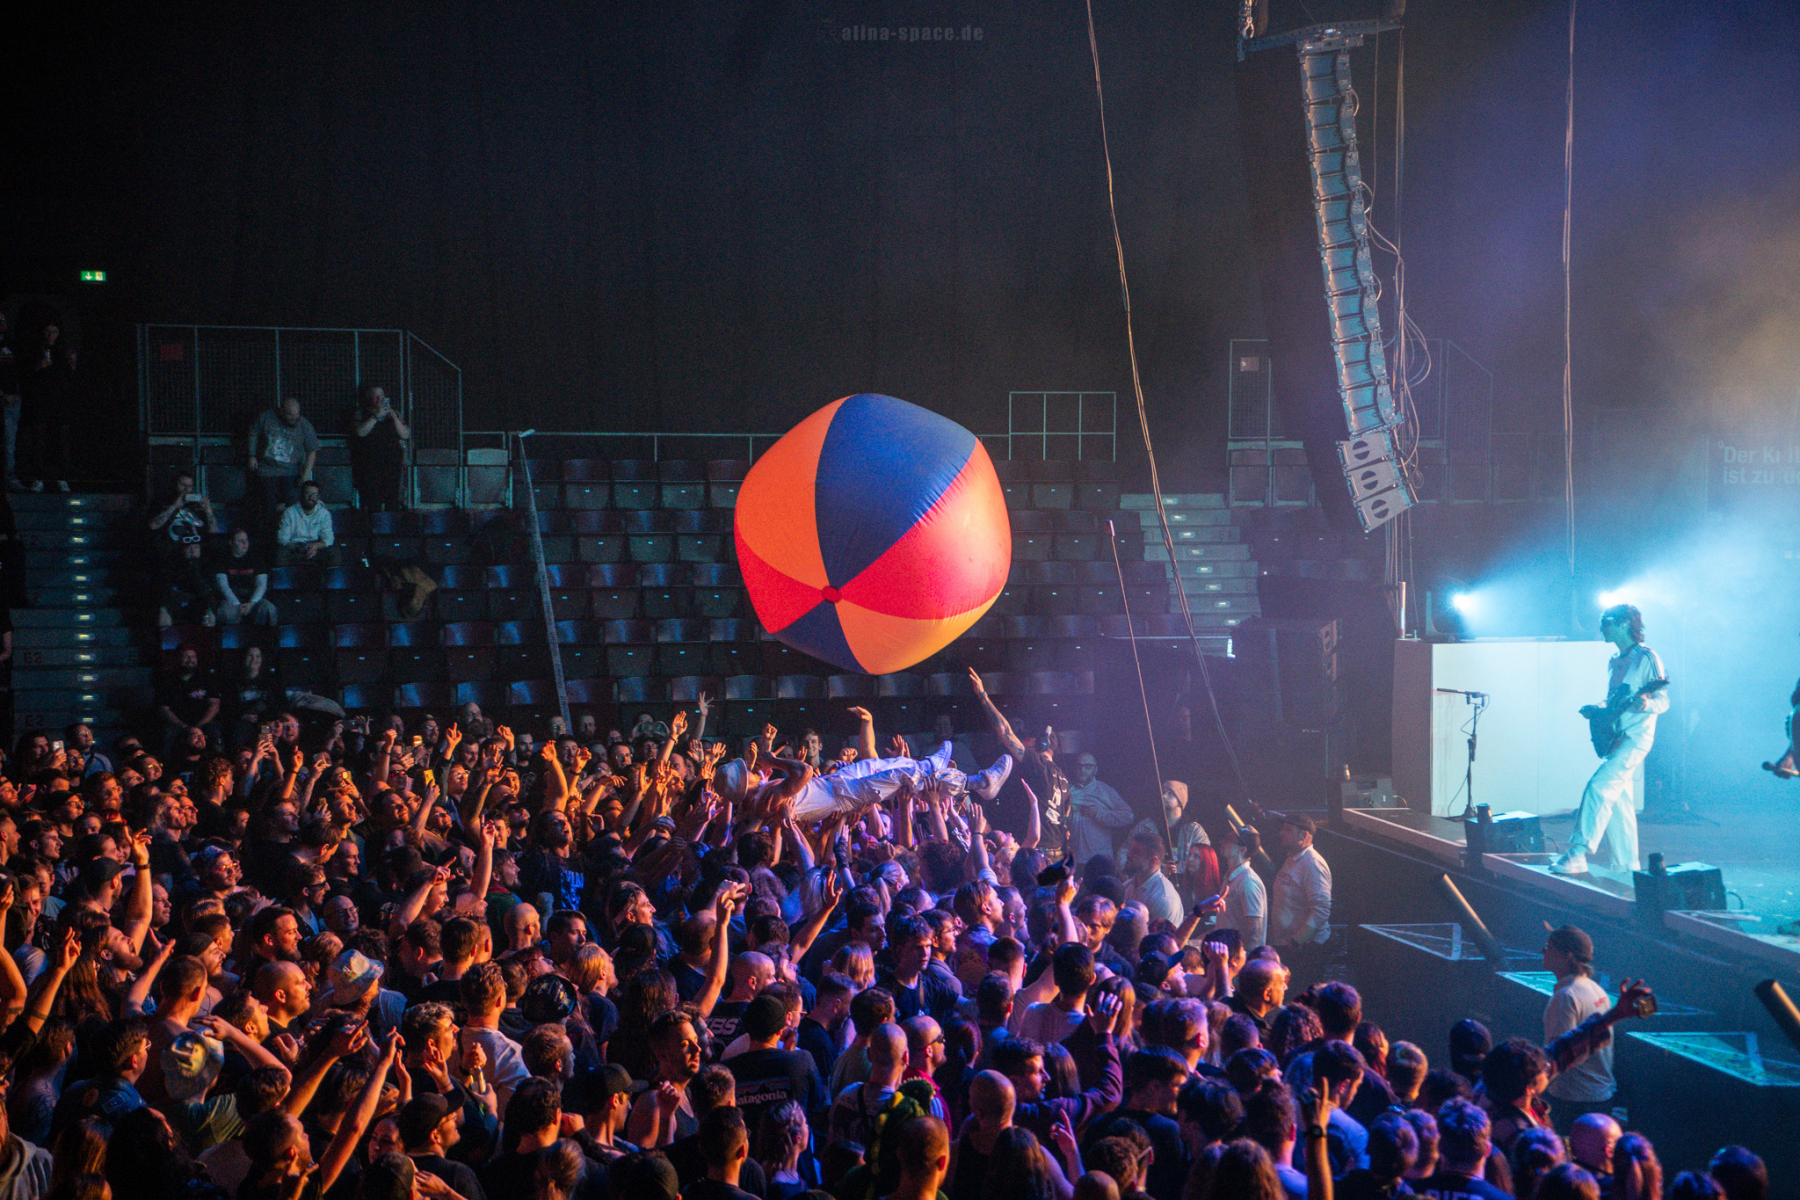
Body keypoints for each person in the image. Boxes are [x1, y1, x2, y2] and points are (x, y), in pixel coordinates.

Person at [1553, 603, 1668, 875]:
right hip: (1617, 737)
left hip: (1635, 739)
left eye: (1606, 622)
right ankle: (1627, 868)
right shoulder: (1615, 660)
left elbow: (1663, 701)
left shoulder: (1647, 657)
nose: (1601, 627)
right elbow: (1614, 699)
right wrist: (1597, 708)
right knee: (1619, 804)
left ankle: (1579, 852)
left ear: (1624, 624)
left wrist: (1646, 703)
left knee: (1599, 787)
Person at [1538, 925, 1616, 1127]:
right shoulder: (1596, 990)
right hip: (1599, 1097)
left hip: (1572, 1101)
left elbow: (1559, 1055)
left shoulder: (1566, 996)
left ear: (1568, 957)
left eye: (1549, 947)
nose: (1543, 951)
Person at [1268, 814, 1330, 978]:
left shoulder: (1313, 864)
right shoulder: (1292, 859)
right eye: (1283, 829)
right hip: (1289, 947)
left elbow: (1321, 910)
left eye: (1288, 830)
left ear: (1304, 835)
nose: (1281, 833)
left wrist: (1297, 940)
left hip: (1305, 951)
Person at [248, 398, 319, 513]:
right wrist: (252, 456)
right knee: (267, 506)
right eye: (290, 415)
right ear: (282, 411)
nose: (294, 418)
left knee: (292, 507)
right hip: (267, 470)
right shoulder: (266, 417)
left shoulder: (304, 424)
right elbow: (253, 434)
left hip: (292, 471)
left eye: (297, 415)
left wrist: (306, 474)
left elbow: (312, 451)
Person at [350, 384, 411, 512]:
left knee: (392, 498)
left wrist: (394, 418)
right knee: (372, 500)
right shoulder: (361, 413)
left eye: (381, 396)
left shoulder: (395, 414)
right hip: (370, 464)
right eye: (375, 396)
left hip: (392, 464)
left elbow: (405, 434)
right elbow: (360, 432)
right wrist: (375, 417)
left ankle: (391, 521)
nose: (379, 399)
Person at [1066, 754, 1133, 868]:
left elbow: (1128, 816)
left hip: (1101, 861)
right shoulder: (1067, 790)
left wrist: (1098, 814)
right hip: (1074, 860)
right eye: (1079, 766)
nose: (1082, 770)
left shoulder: (1105, 791)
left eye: (1088, 767)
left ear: (1095, 770)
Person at [211, 529, 276, 627]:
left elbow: (261, 585)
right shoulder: (222, 559)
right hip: (231, 597)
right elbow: (223, 587)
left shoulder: (256, 558)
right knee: (225, 612)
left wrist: (251, 603)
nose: (245, 543)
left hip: (252, 596)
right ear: (231, 543)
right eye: (240, 541)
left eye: (246, 540)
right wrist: (237, 604)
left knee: (269, 609)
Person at [147, 473, 221, 559]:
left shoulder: (196, 506)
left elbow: (213, 531)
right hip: (170, 553)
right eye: (183, 485)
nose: (186, 489)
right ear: (175, 484)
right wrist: (174, 506)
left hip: (194, 552)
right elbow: (153, 525)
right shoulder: (162, 503)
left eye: (189, 486)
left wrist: (208, 510)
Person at [276, 481, 337, 567]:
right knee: (280, 554)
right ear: (301, 495)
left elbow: (328, 538)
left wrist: (316, 546)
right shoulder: (289, 512)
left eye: (315, 494)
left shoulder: (324, 513)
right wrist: (299, 548)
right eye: (308, 494)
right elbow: (282, 538)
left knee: (334, 553)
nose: (311, 497)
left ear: (318, 497)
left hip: (315, 547)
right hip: (295, 547)